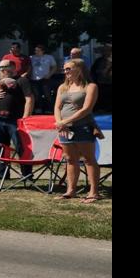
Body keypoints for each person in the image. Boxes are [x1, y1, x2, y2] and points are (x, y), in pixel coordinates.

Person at [53, 58, 102, 202]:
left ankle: (94, 192)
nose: (65, 71)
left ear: (79, 69)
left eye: (69, 68)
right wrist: (59, 122)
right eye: (65, 69)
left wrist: (65, 121)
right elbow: (57, 107)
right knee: (70, 159)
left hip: (83, 126)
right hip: (64, 128)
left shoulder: (90, 86)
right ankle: (71, 190)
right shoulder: (63, 87)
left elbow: (86, 109)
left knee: (88, 159)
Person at [0, 62, 30, 186]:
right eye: (1, 67)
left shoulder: (21, 81)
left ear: (13, 68)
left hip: (15, 120)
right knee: (1, 147)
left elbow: (30, 98)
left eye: (6, 67)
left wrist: (25, 117)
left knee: (21, 147)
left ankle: (27, 175)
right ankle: (3, 174)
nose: (4, 69)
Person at [29, 44, 58, 114]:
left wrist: (49, 74)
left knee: (47, 94)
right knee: (37, 95)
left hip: (45, 78)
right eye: (35, 50)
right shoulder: (31, 57)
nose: (36, 52)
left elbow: (54, 67)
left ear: (43, 51)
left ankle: (50, 109)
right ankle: (39, 109)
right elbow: (29, 67)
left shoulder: (49, 57)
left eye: (38, 50)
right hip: (34, 79)